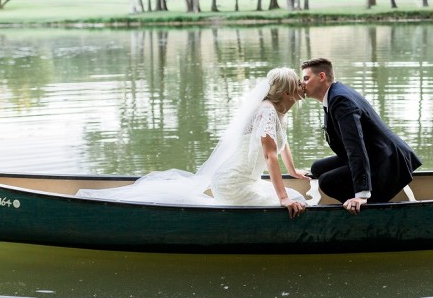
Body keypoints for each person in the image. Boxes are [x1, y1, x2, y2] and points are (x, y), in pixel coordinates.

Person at [77, 67, 309, 219]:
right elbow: (270, 156)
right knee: (293, 201)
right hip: (234, 183)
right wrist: (282, 198)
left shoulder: (279, 112)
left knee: (297, 198)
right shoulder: (267, 111)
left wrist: (292, 170)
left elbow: (282, 143)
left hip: (247, 180)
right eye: (298, 83)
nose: (302, 86)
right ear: (288, 93)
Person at [300, 58, 422, 215]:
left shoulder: (340, 100)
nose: (302, 84)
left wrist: (361, 193)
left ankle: (366, 209)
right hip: (376, 153)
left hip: (389, 161)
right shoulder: (335, 94)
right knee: (318, 168)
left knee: (328, 181)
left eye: (306, 78)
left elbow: (355, 147)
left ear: (321, 77)